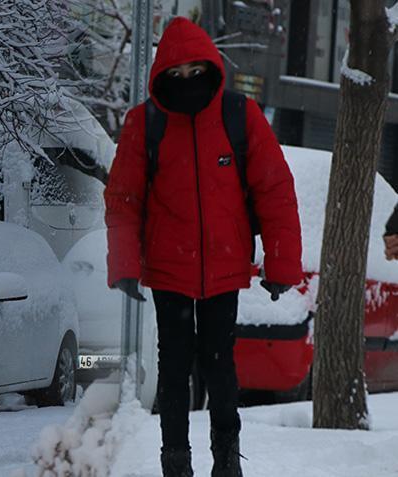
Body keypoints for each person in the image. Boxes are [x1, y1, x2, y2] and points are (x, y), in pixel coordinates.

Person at [104, 17, 303, 477]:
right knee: (174, 369)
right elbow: (123, 200)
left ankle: (226, 461)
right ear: (161, 76)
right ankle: (175, 461)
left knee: (220, 366)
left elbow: (275, 189)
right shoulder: (145, 123)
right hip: (169, 268)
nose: (188, 81)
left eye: (196, 71)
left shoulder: (239, 115)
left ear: (211, 67)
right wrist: (126, 264)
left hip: (225, 265)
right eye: (177, 74)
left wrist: (281, 264)